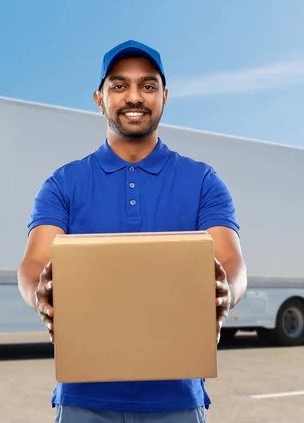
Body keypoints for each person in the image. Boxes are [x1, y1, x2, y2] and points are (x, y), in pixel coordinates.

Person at [18, 39, 247, 423]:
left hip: (177, 399)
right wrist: (38, 293)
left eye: (148, 85)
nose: (134, 97)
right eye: (119, 86)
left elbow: (231, 261)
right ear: (99, 98)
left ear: (164, 96)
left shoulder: (202, 180)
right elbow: (35, 262)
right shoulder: (63, 183)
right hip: (82, 399)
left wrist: (228, 291)